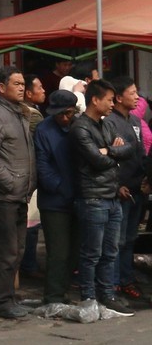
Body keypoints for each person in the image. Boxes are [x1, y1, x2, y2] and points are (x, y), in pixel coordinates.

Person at [70, 79, 136, 315]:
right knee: (91, 252)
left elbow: (130, 147)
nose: (111, 104)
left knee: (110, 251)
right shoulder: (80, 128)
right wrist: (113, 155)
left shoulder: (106, 124)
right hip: (92, 197)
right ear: (95, 100)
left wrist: (111, 151)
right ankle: (88, 296)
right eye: (108, 99)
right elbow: (95, 161)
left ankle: (106, 294)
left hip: (112, 196)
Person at [0, 66, 37, 319]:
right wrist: (11, 182)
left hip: (18, 195)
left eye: (24, 83)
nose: (22, 87)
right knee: (6, 251)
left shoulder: (18, 113)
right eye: (17, 83)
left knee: (17, 250)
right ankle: (0, 303)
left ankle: (8, 299)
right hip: (1, 197)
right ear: (2, 87)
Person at [34, 90, 80, 304]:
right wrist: (61, 188)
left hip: (79, 198)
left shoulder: (79, 126)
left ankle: (63, 291)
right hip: (54, 201)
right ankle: (53, 296)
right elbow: (42, 166)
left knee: (75, 250)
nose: (64, 117)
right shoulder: (44, 130)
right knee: (58, 252)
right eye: (60, 114)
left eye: (68, 113)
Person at [105, 77, 147, 304]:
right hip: (119, 192)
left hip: (137, 190)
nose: (137, 97)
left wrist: (145, 179)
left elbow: (140, 154)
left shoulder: (136, 122)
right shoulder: (109, 122)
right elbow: (109, 157)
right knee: (116, 241)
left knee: (130, 239)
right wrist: (116, 185)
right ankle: (111, 284)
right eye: (132, 93)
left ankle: (126, 279)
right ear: (119, 98)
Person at [18, 74, 46, 277]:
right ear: (29, 93)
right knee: (31, 223)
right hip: (30, 173)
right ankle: (28, 264)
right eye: (40, 87)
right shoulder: (33, 115)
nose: (44, 90)